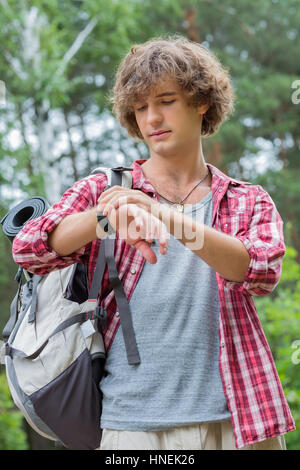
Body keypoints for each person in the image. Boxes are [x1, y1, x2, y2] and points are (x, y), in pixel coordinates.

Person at [12, 35, 295, 450]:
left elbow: (260, 270)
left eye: (166, 101)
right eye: (140, 107)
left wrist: (166, 217)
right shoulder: (107, 190)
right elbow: (30, 247)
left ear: (200, 102)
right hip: (133, 425)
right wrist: (106, 218)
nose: (152, 118)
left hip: (239, 421)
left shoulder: (246, 199)